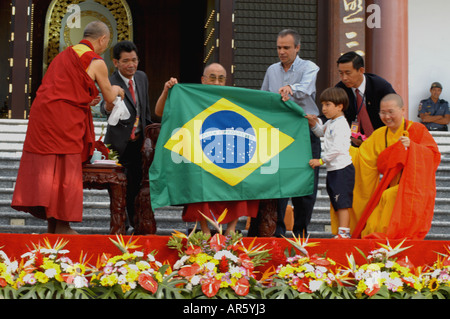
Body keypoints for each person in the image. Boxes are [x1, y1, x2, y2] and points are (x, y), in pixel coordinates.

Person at [11, 21, 125, 234]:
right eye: (107, 43)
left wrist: (85, 99)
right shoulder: (96, 61)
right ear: (102, 39)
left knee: (51, 169)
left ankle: (52, 225)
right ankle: (63, 225)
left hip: (43, 116)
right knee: (65, 169)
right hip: (64, 120)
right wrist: (118, 89)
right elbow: (109, 97)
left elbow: (63, 89)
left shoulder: (65, 54)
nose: (105, 47)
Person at [155, 63, 259, 235]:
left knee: (244, 172)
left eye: (221, 79)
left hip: (228, 156)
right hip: (200, 157)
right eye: (212, 78)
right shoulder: (191, 98)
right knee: (197, 174)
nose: (217, 83)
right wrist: (167, 90)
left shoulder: (234, 100)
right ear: (203, 80)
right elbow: (160, 111)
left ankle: (231, 229)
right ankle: (204, 229)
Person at [339, 93, 441, 240]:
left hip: (412, 188)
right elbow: (362, 158)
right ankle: (373, 249)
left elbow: (433, 156)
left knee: (389, 197)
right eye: (383, 112)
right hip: (388, 188)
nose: (387, 117)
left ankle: (385, 246)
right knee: (372, 220)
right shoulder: (379, 134)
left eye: (391, 112)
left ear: (403, 110)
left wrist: (413, 147)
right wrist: (341, 149)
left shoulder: (417, 130)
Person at [260, 29, 320, 237]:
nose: (282, 51)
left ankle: (300, 233)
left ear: (297, 48)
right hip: (279, 133)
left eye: (286, 47)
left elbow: (305, 89)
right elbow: (264, 98)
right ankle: (276, 233)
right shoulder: (271, 70)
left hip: (305, 132)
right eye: (279, 47)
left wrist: (290, 88)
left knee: (306, 186)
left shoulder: (309, 67)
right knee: (278, 182)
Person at [101, 41, 152, 230]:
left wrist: (148, 138)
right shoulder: (110, 81)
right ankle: (120, 225)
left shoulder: (142, 78)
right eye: (126, 61)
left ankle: (136, 225)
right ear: (116, 62)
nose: (131, 64)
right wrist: (108, 105)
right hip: (117, 146)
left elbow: (145, 110)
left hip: (138, 144)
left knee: (136, 188)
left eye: (134, 60)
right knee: (117, 191)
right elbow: (104, 109)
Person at [306, 87, 355, 239]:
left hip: (342, 168)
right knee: (336, 200)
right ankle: (342, 230)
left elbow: (337, 149)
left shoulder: (341, 124)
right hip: (333, 169)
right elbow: (320, 132)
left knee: (342, 202)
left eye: (328, 105)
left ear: (340, 106)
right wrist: (313, 123)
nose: (324, 108)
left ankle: (344, 232)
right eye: (322, 105)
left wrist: (320, 161)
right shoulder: (331, 122)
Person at [336, 51, 396, 145]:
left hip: (382, 140)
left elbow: (395, 113)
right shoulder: (339, 90)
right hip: (352, 144)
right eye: (341, 73)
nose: (344, 78)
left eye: (348, 73)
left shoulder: (380, 86)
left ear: (361, 70)